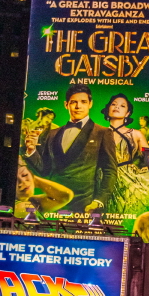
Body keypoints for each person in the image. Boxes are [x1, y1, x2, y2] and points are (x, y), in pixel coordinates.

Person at [24, 83, 117, 212]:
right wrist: (31, 150)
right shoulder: (52, 133)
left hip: (84, 205)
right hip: (54, 203)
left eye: (83, 102)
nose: (78, 106)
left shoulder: (102, 132)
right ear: (66, 105)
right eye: (74, 102)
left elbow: (110, 171)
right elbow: (45, 170)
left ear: (90, 104)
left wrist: (98, 201)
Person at [101, 93, 149, 215]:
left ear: (128, 113)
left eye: (122, 106)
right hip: (103, 179)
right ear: (108, 109)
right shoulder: (99, 132)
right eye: (113, 104)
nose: (117, 107)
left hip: (128, 182)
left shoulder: (136, 134)